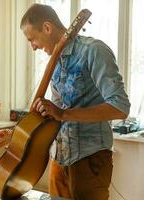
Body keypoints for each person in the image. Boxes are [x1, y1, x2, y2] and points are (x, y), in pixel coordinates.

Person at [20, 4, 130, 200]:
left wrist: (63, 114)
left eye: (32, 39)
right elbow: (55, 111)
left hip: (89, 158)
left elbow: (120, 107)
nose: (33, 47)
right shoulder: (54, 61)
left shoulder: (94, 51)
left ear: (47, 27)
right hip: (58, 159)